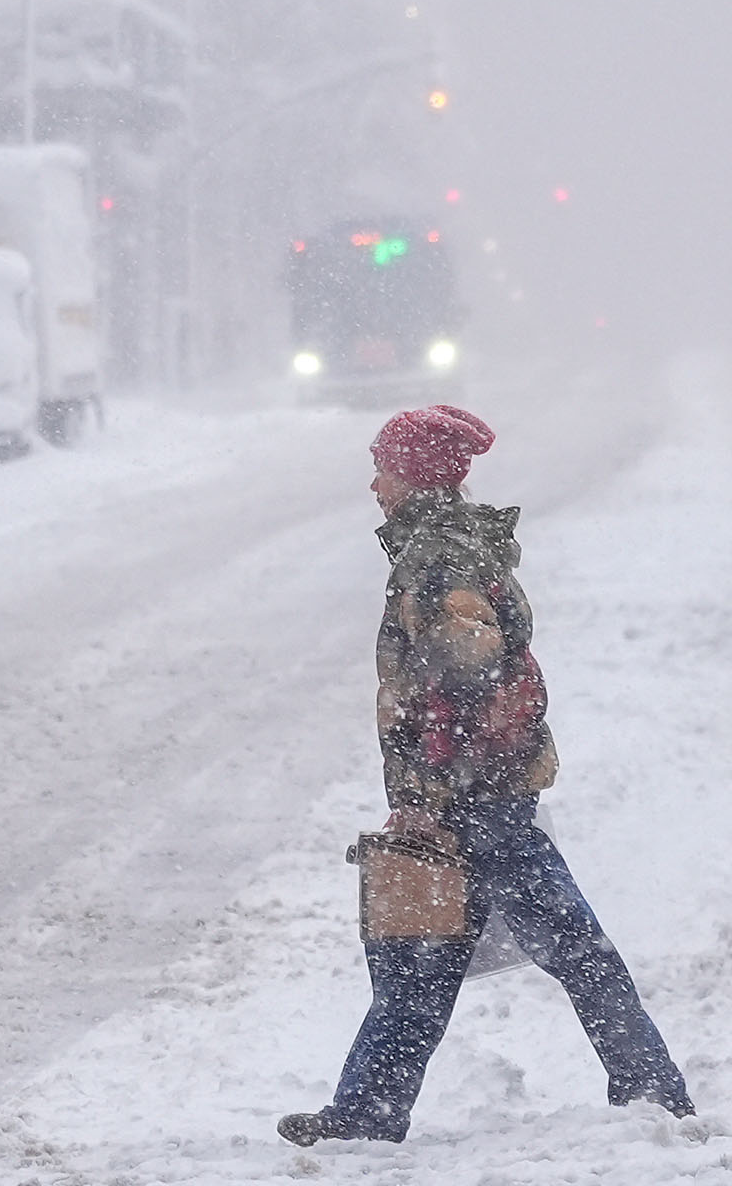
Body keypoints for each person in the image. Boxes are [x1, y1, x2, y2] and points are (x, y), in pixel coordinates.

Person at [276, 405, 692, 1146]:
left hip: (476, 799)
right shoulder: (439, 549)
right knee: (424, 963)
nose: (375, 482)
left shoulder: (444, 560)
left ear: (420, 475)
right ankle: (369, 1112)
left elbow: (462, 683)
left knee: (567, 953)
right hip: (473, 794)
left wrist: (432, 799)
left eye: (386, 466)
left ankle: (654, 1092)